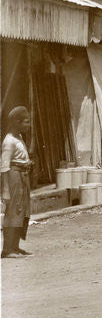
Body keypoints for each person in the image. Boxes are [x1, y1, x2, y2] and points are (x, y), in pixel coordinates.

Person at [1, 107, 34, 258]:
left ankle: (15, 246)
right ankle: (7, 250)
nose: (28, 125)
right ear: (17, 122)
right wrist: (5, 190)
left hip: (22, 176)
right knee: (14, 211)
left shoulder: (18, 137)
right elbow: (4, 167)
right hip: (14, 177)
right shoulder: (9, 141)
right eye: (26, 122)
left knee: (21, 211)